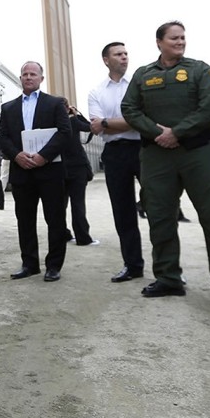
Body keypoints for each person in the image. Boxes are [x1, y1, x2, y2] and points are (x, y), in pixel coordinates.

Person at [121, 20, 210, 310]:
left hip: (200, 153)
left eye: (183, 38)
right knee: (160, 216)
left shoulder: (200, 70)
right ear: (159, 42)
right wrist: (157, 132)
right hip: (157, 155)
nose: (181, 42)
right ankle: (168, 278)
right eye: (174, 38)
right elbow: (129, 108)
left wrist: (177, 132)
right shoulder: (142, 74)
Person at [0, 61, 71, 282]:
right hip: (22, 171)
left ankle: (54, 266)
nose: (29, 77)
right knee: (25, 219)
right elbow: (3, 137)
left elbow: (64, 133)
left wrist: (43, 156)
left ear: (41, 78)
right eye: (25, 74)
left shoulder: (54, 103)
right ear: (20, 78)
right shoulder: (8, 107)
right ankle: (29, 264)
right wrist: (17, 155)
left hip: (50, 171)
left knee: (55, 219)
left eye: (33, 74)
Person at [89, 42, 144, 282]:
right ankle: (132, 266)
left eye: (125, 53)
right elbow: (96, 127)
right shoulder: (96, 92)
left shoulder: (139, 85)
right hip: (114, 154)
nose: (124, 57)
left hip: (144, 149)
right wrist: (131, 121)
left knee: (161, 209)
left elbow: (144, 120)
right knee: (123, 212)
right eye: (118, 54)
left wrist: (109, 123)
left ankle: (168, 271)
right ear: (106, 60)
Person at [61, 99, 98, 246]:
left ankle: (63, 234)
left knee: (59, 205)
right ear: (67, 108)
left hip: (59, 168)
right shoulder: (73, 122)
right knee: (78, 204)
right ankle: (82, 237)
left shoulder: (51, 124)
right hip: (77, 168)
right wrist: (76, 115)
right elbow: (91, 127)